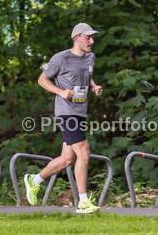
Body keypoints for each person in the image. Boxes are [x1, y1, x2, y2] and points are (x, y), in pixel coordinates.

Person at [23, 23, 103, 214]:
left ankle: (34, 181)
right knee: (84, 152)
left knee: (67, 159)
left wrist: (93, 86)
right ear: (76, 38)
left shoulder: (91, 57)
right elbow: (42, 79)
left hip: (80, 111)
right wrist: (60, 91)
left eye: (93, 38)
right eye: (88, 37)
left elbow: (87, 76)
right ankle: (83, 202)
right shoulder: (61, 58)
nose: (92, 41)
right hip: (66, 112)